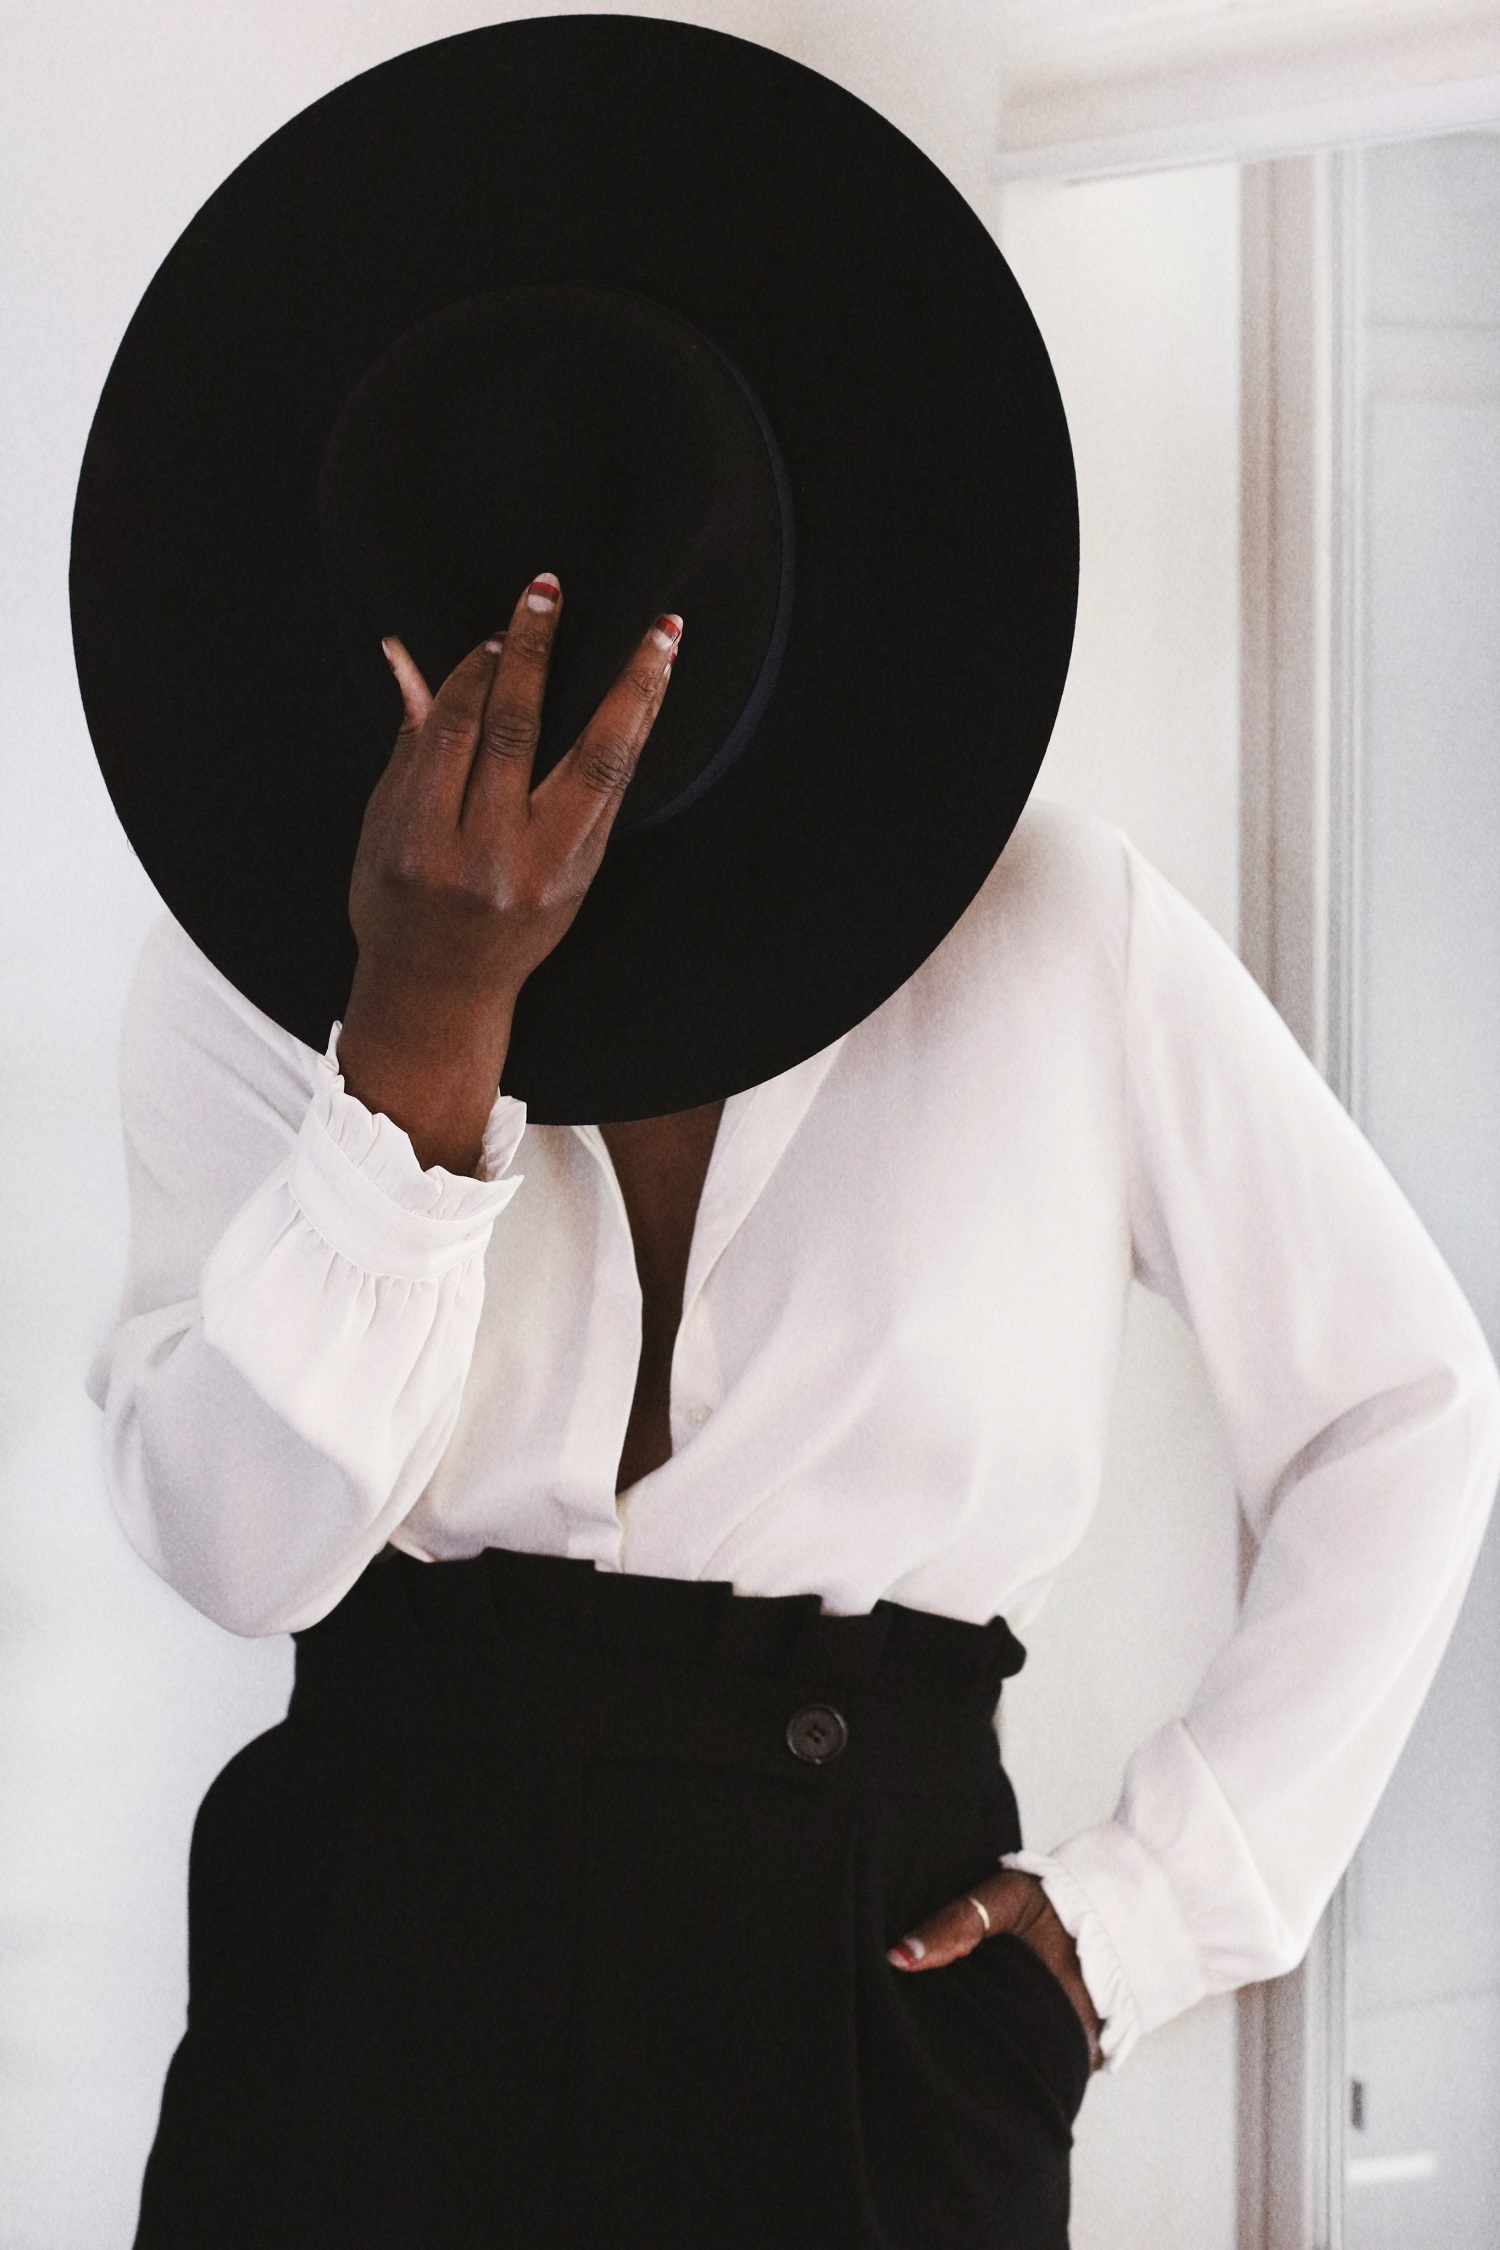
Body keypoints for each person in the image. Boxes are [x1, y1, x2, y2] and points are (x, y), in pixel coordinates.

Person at [91, 570, 1500, 2250]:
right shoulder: (256, 921)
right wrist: (416, 1029)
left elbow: (1404, 1400)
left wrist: (1137, 1922)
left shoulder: (1048, 917)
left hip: (875, 2012)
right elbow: (236, 1554)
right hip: (365, 1976)